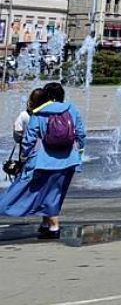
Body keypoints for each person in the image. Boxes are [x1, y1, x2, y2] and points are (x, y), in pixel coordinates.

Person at [0, 82, 87, 240]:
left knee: (21, 191)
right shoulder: (72, 109)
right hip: (68, 160)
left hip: (42, 162)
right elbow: (80, 133)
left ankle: (52, 225)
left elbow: (28, 140)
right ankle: (48, 224)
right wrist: (79, 153)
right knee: (54, 193)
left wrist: (24, 158)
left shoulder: (39, 113)